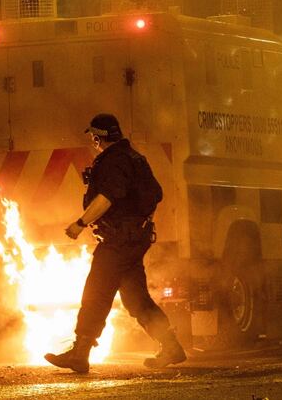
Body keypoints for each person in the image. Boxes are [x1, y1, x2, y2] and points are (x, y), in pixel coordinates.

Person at [44, 113, 186, 373]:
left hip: (119, 241)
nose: (93, 143)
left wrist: (80, 223)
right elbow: (156, 194)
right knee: (136, 299)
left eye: (94, 138)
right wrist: (141, 223)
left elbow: (107, 197)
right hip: (134, 239)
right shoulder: (135, 158)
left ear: (98, 137)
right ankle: (172, 346)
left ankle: (80, 353)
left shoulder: (113, 162)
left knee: (96, 292)